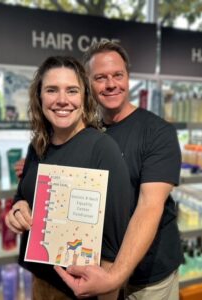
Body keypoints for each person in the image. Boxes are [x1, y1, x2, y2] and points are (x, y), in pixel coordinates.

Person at [54, 41, 183, 300]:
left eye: (118, 75)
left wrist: (114, 277)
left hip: (147, 278)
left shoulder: (157, 132)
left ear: (128, 77)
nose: (111, 84)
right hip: (96, 269)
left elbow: (149, 207)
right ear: (87, 83)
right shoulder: (84, 132)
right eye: (100, 77)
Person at [5, 55, 132, 300]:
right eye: (52, 90)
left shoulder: (102, 150)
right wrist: (18, 207)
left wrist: (106, 293)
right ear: (39, 97)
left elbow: (114, 248)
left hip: (81, 292)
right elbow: (23, 194)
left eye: (72, 90)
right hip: (40, 282)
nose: (62, 100)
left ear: (84, 98)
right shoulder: (38, 145)